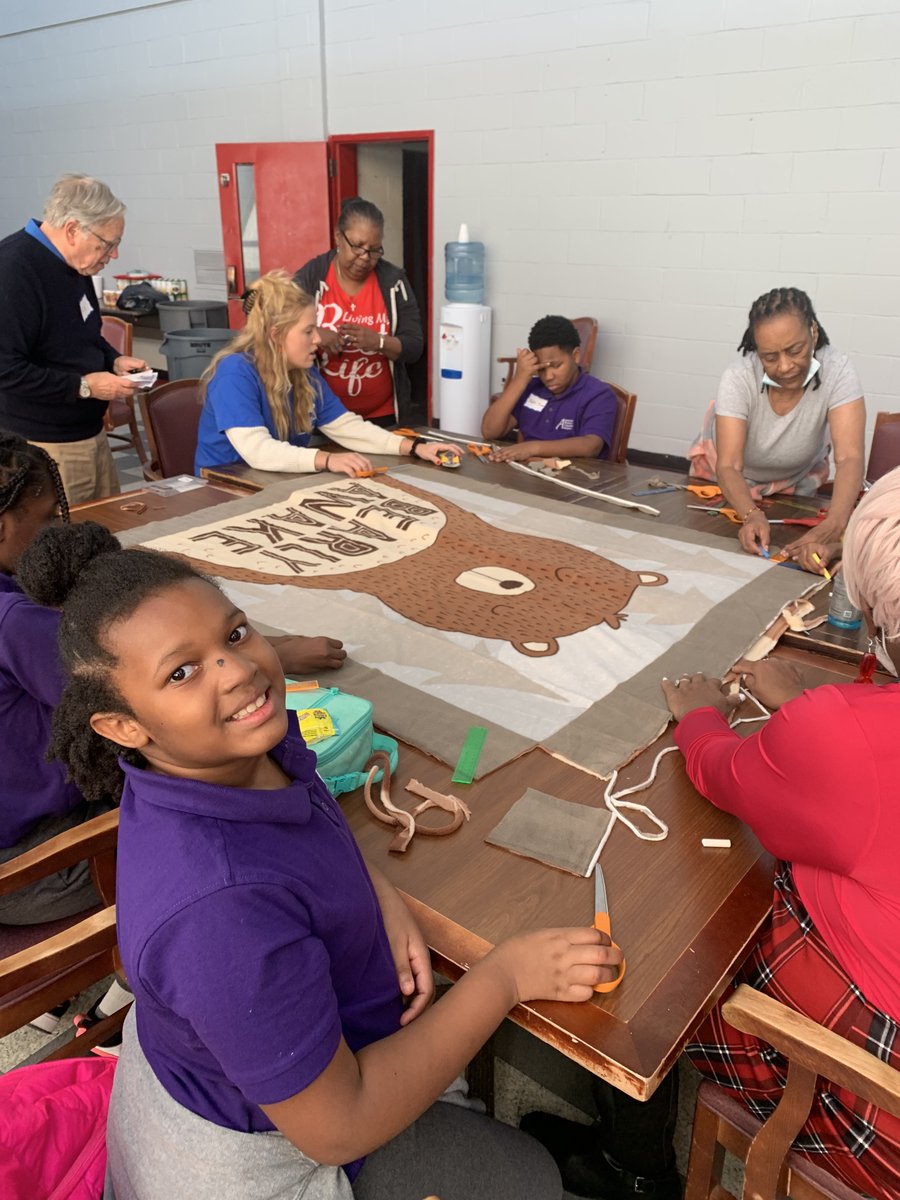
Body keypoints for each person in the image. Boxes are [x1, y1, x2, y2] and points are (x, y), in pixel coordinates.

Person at [17, 522, 623, 1200]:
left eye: (235, 633)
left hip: (250, 1069)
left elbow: (309, 816)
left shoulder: (245, 751)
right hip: (262, 1155)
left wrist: (379, 889)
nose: (240, 671)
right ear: (124, 727)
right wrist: (505, 977)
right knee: (532, 1178)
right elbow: (337, 1129)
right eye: (181, 672)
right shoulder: (219, 911)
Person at [659, 465, 900, 1200]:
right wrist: (813, 706)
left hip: (876, 1105)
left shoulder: (842, 740)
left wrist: (699, 712)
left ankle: (629, 1153)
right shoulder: (844, 731)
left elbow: (719, 771)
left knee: (671, 959)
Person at [195, 270, 459, 476]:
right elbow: (258, 451)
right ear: (275, 336)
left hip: (268, 486)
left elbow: (345, 426)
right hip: (223, 494)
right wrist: (327, 460)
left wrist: (415, 447)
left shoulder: (302, 372)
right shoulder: (234, 374)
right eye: (308, 331)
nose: (318, 339)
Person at [687, 287, 865, 570]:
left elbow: (850, 458)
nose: (785, 366)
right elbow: (729, 466)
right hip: (725, 481)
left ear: (814, 332)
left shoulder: (838, 370)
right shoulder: (739, 376)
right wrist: (750, 515)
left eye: (796, 350)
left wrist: (834, 523)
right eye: (770, 357)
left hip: (794, 481)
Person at [0, 174, 150, 504]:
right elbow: (6, 371)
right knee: (67, 546)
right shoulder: (13, 270)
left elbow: (84, 335)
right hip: (44, 445)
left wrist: (113, 358)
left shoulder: (74, 265)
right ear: (72, 230)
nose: (112, 255)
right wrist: (84, 386)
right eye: (107, 244)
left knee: (110, 533)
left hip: (90, 433)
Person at [293, 197, 423, 427]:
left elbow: (414, 347)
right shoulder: (312, 276)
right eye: (357, 247)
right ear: (338, 236)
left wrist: (379, 342)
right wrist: (315, 333)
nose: (365, 258)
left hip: (382, 417)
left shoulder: (393, 282)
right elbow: (277, 322)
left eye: (374, 250)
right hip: (323, 418)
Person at [481, 315, 618, 463]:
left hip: (576, 478)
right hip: (530, 475)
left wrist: (531, 448)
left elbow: (591, 446)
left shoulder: (598, 394)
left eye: (556, 366)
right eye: (541, 369)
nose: (548, 377)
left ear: (576, 356)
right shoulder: (532, 387)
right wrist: (519, 380)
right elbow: (490, 431)